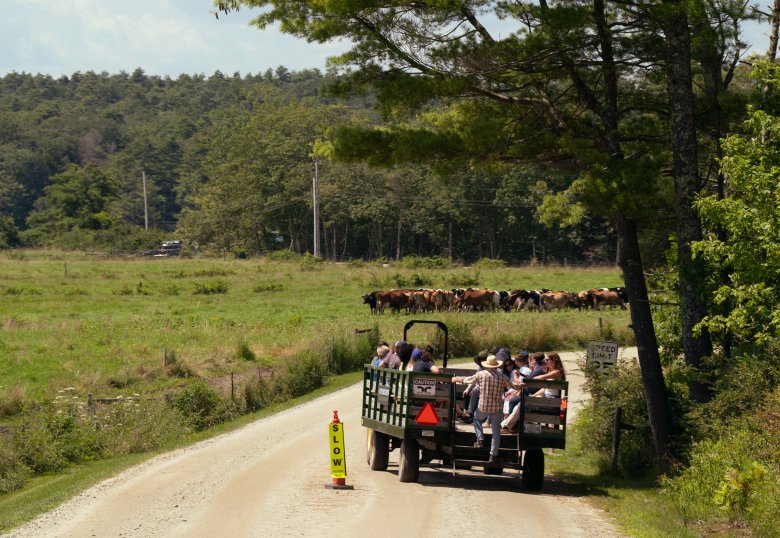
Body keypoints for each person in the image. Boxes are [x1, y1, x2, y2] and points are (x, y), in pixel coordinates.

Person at [452, 355, 523, 463]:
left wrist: (455, 379)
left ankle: (480, 440)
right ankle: (493, 456)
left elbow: (467, 380)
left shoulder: (481, 374)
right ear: (496, 366)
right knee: (496, 432)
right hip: (497, 408)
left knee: (476, 418)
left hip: (483, 407)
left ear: (487, 365)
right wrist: (521, 385)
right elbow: (514, 386)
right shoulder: (501, 376)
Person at [501, 352, 566, 432]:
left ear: (553, 361)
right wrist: (533, 396)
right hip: (547, 399)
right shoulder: (551, 372)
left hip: (551, 401)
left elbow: (540, 377)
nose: (545, 361)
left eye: (547, 360)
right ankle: (509, 425)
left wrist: (531, 379)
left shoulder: (557, 372)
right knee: (520, 404)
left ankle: (507, 425)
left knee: (521, 404)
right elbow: (544, 389)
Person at [503, 351, 531, 416]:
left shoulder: (524, 370)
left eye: (510, 364)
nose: (508, 366)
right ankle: (507, 419)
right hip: (521, 392)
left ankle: (508, 420)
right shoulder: (522, 369)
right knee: (507, 398)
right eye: (506, 365)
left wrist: (512, 394)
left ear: (515, 361)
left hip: (524, 394)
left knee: (510, 400)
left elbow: (519, 385)